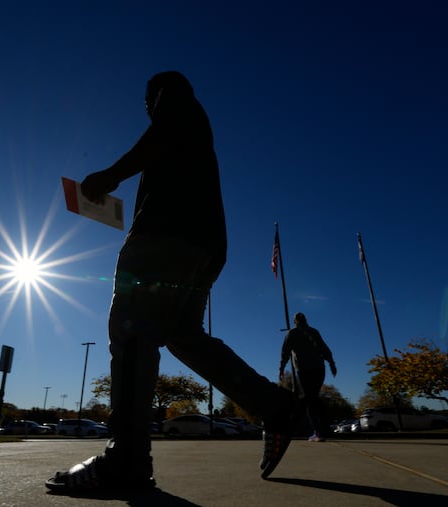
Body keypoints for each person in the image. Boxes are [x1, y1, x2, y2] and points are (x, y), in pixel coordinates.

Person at [45, 71, 298, 495]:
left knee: (131, 333)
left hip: (163, 240)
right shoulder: (194, 134)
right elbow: (167, 138)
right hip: (204, 247)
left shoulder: (175, 103)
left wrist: (111, 175)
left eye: (148, 102)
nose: (148, 108)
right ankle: (276, 408)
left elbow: (165, 128)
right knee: (182, 335)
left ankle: (125, 460)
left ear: (155, 96)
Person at [279, 312, 337, 442]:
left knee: (309, 399)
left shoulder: (291, 333)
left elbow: (285, 352)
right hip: (319, 368)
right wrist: (331, 363)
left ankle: (318, 431)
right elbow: (324, 348)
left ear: (295, 321)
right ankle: (323, 429)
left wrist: (281, 368)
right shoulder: (314, 332)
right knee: (313, 397)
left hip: (305, 369)